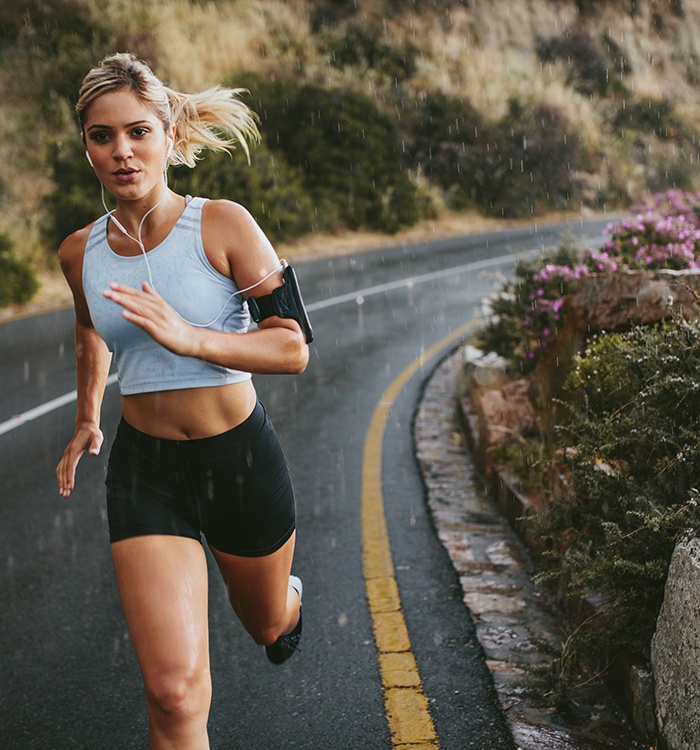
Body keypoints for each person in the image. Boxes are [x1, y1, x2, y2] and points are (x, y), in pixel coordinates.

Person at [55, 52, 309, 749]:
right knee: (172, 692)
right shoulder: (80, 253)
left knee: (263, 625)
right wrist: (86, 416)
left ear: (168, 134)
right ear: (87, 145)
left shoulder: (224, 225)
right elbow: (89, 326)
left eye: (137, 131)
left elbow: (292, 346)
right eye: (102, 136)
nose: (122, 151)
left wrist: (192, 338)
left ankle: (289, 604)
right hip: (146, 474)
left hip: (239, 462)